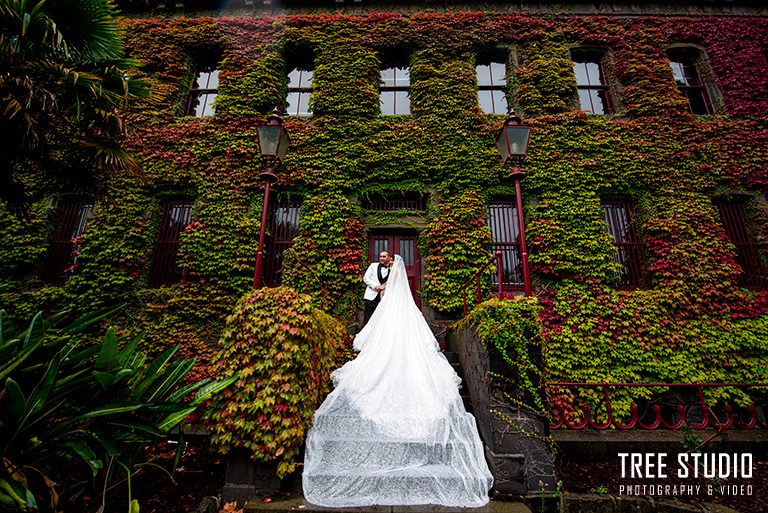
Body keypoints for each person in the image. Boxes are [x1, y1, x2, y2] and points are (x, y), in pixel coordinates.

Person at [302, 254, 493, 507]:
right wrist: (379, 286)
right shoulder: (387, 275)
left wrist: (386, 287)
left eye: (389, 260)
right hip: (382, 300)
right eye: (384, 258)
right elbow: (375, 282)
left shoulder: (394, 275)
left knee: (385, 333)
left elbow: (391, 287)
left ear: (393, 264)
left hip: (388, 304)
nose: (387, 261)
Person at [362, 250, 392, 325]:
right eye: (380, 256)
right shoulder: (373, 266)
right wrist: (375, 286)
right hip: (371, 296)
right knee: (369, 317)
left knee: (381, 318)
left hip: (384, 297)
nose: (381, 258)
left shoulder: (393, 269)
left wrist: (385, 287)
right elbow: (366, 278)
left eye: (384, 256)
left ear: (388, 258)